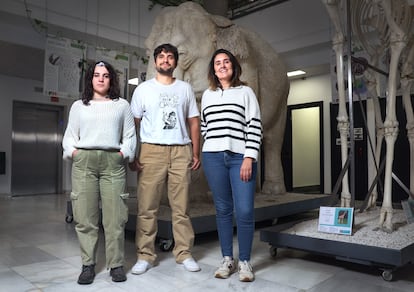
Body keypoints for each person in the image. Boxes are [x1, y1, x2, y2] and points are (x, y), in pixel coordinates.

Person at [129, 43, 201, 274]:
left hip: (181, 151)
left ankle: (184, 253)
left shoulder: (185, 89)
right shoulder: (143, 90)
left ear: (176, 62)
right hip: (151, 150)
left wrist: (196, 151)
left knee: (181, 207)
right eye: (161, 57)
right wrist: (133, 153)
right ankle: (145, 255)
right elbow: (134, 124)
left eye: (170, 57)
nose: (166, 60)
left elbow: (193, 122)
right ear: (155, 61)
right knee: (147, 206)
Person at [62, 60, 136, 284]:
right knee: (85, 218)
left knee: (115, 219)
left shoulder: (122, 105)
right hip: (84, 163)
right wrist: (75, 154)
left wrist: (122, 154)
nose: (101, 78)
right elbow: (69, 137)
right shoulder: (78, 106)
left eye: (105, 75)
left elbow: (130, 136)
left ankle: (116, 265)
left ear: (111, 79)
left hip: (113, 164)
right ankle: (88, 265)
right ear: (90, 79)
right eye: (96, 75)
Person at [200, 49, 262, 282]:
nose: (222, 65)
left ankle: (244, 261)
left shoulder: (246, 92)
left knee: (244, 210)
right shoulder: (207, 95)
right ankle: (227, 259)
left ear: (234, 67)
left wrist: (249, 156)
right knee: (223, 210)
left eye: (226, 61)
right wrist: (212, 146)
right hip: (213, 158)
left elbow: (255, 124)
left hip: (240, 158)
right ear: (213, 70)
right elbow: (205, 127)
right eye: (217, 63)